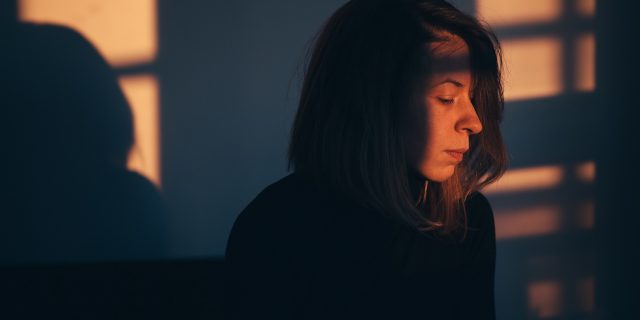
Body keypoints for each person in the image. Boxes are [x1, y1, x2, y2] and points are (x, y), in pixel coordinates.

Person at [224, 0, 507, 318]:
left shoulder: (465, 222)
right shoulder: (273, 228)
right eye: (446, 97)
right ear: (373, 100)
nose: (474, 121)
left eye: (470, 98)